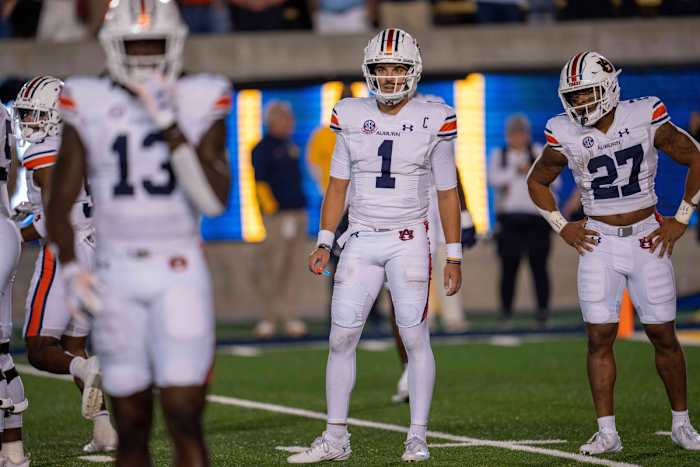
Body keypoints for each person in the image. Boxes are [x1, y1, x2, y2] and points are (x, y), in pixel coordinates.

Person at [46, 1, 231, 466]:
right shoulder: (86, 98)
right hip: (116, 273)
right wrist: (69, 269)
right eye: (135, 44)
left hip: (179, 270)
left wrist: (169, 123)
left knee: (184, 416)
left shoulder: (201, 95)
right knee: (130, 425)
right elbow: (60, 199)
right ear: (113, 45)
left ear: (176, 44)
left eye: (155, 43)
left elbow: (213, 199)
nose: (145, 55)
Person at [288, 28, 463, 463]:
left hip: (408, 239)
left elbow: (447, 191)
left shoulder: (434, 115)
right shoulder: (349, 114)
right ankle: (335, 437)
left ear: (413, 70)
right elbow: (337, 185)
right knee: (341, 338)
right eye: (382, 69)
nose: (388, 77)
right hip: (361, 238)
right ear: (370, 72)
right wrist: (324, 242)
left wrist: (453, 254)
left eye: (397, 68)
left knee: (414, 336)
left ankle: (417, 435)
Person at [527, 51, 700, 455]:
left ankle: (682, 423)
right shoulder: (563, 131)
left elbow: (695, 156)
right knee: (598, 337)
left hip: (646, 236)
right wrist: (562, 226)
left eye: (587, 93)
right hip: (599, 240)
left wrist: (682, 217)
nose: (580, 103)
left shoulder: (644, 115)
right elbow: (537, 181)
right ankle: (607, 431)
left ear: (608, 88)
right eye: (574, 95)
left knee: (663, 335)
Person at [13, 76, 117, 456]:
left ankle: (85, 372)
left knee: (40, 348)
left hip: (66, 250)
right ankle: (105, 430)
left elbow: (54, 211)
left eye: (34, 115)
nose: (28, 123)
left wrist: (13, 233)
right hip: (96, 247)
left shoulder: (47, 151)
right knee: (74, 345)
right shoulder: (82, 142)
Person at [489, 114, 553, 327]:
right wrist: (517, 170)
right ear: (508, 136)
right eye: (514, 133)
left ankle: (543, 311)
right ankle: (505, 312)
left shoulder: (538, 152)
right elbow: (493, 180)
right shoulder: (500, 154)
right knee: (508, 269)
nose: (518, 137)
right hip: (509, 221)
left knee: (539, 268)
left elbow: (556, 181)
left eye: (521, 133)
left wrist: (533, 170)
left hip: (536, 220)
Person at [252, 101, 308, 338]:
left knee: (293, 266)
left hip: (297, 214)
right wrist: (272, 210)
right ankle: (269, 316)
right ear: (273, 120)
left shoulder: (291, 145)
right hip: (277, 216)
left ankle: (290, 315)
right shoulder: (262, 148)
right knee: (273, 266)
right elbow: (260, 183)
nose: (290, 123)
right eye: (285, 118)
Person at [0, 101, 29, 467]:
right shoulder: (5, 112)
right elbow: (13, 172)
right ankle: (13, 450)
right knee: (2, 350)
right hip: (5, 223)